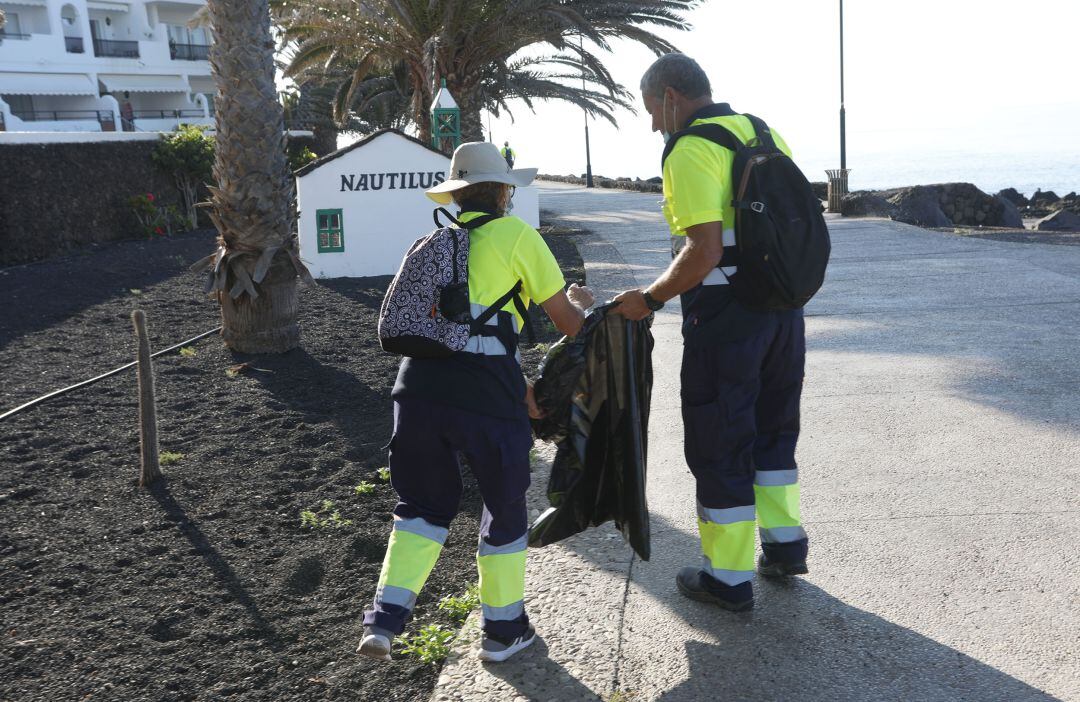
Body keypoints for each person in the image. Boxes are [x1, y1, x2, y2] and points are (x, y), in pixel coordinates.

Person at [359, 141, 594, 662]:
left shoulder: (436, 242)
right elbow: (569, 325)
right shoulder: (519, 236)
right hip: (487, 392)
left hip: (418, 388)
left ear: (457, 195)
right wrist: (582, 304)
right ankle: (503, 632)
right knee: (504, 508)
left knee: (421, 509)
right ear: (504, 192)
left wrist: (518, 384)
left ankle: (385, 622)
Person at [613, 53, 809, 612]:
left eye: (653, 110)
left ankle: (726, 578)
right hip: (783, 309)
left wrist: (650, 299)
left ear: (671, 97)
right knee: (774, 429)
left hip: (727, 316)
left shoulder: (690, 147)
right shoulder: (761, 132)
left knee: (720, 439)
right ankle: (785, 546)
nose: (654, 124)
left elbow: (704, 250)